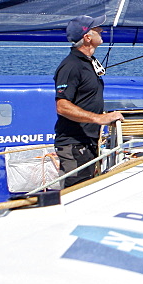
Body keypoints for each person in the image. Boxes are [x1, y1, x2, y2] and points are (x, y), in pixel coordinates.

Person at [53, 14, 123, 187]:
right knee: (76, 194)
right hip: (74, 145)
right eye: (97, 29)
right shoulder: (71, 66)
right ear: (87, 37)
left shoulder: (87, 63)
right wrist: (99, 119)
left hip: (87, 142)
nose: (102, 30)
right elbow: (62, 106)